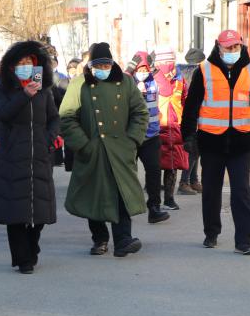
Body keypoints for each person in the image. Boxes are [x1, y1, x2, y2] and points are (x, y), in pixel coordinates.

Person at [59, 42, 148, 258]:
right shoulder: (79, 85)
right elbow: (67, 117)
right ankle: (100, 239)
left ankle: (123, 240)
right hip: (93, 149)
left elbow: (140, 112)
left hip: (121, 150)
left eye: (107, 65)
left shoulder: (126, 82)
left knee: (122, 195)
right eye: (98, 65)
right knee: (95, 196)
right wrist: (83, 144)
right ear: (90, 66)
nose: (103, 69)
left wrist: (132, 141)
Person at [181, 30, 250, 255]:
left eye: (236, 47)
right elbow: (191, 107)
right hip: (211, 142)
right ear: (218, 47)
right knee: (211, 191)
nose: (232, 51)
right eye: (228, 47)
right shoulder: (204, 71)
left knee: (241, 191)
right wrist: (188, 136)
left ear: (241, 46)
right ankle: (211, 233)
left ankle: (244, 241)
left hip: (240, 142)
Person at [0, 41, 59, 273]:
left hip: (39, 156)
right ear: (11, 66)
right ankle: (23, 259)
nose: (25, 66)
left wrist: (48, 139)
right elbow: (3, 114)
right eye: (20, 63)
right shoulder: (2, 89)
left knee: (39, 213)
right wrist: (24, 94)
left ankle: (32, 248)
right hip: (12, 156)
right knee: (16, 213)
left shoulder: (45, 91)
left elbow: (54, 118)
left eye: (29, 62)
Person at [132, 52, 170, 224]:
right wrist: (131, 68)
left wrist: (154, 69)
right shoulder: (128, 81)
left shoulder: (153, 81)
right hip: (131, 136)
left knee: (154, 171)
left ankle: (154, 208)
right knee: (127, 173)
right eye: (139, 68)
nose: (142, 72)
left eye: (145, 68)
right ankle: (127, 206)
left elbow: (167, 90)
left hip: (151, 136)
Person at [153, 48, 188, 210]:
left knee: (172, 166)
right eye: (163, 62)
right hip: (156, 129)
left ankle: (169, 199)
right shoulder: (151, 79)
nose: (167, 65)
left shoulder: (180, 80)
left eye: (170, 61)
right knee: (154, 167)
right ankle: (154, 202)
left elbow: (185, 101)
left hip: (175, 129)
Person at [177, 47, 206, 194]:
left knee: (196, 149)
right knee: (193, 150)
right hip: (192, 117)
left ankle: (194, 181)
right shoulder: (196, 72)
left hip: (192, 115)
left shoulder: (182, 71)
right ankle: (184, 182)